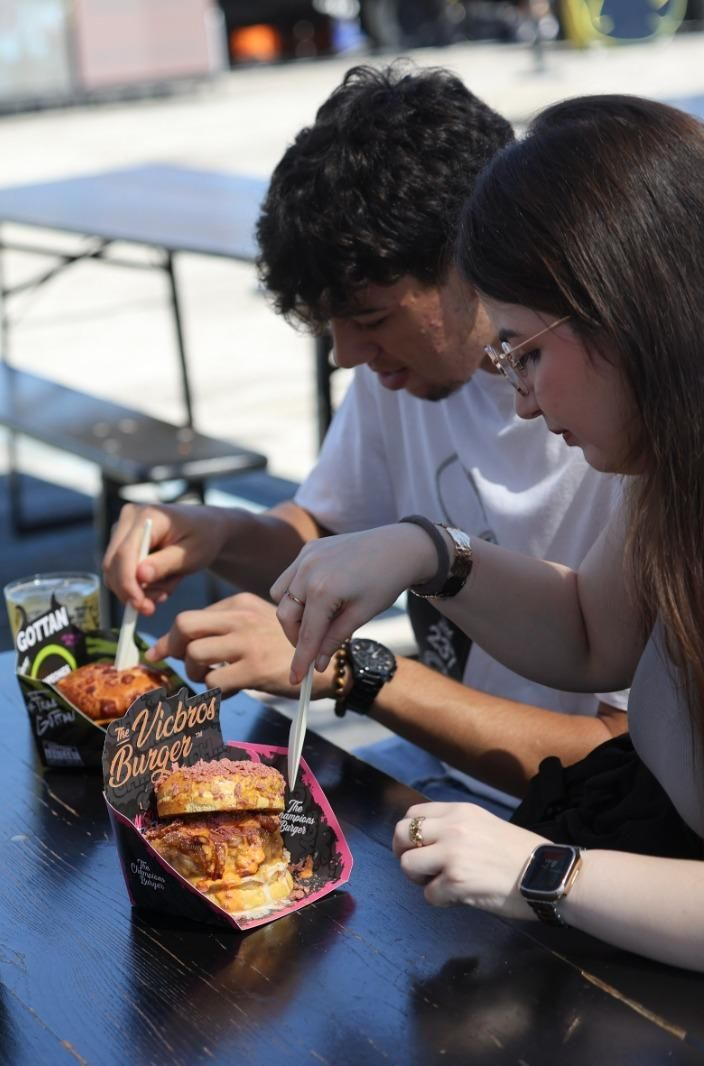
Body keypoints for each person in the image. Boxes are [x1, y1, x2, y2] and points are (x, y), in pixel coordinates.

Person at [102, 64, 625, 806]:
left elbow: (625, 762)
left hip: (568, 833)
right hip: (444, 790)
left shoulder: (624, 432)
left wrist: (354, 670)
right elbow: (332, 538)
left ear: (475, 253)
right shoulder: (407, 374)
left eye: (372, 318)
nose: (346, 355)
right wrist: (215, 533)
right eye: (329, 325)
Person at [271, 95, 704, 971]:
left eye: (524, 350)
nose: (522, 398)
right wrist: (427, 551)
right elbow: (592, 636)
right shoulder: (670, 468)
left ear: (624, 305)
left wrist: (544, 872)